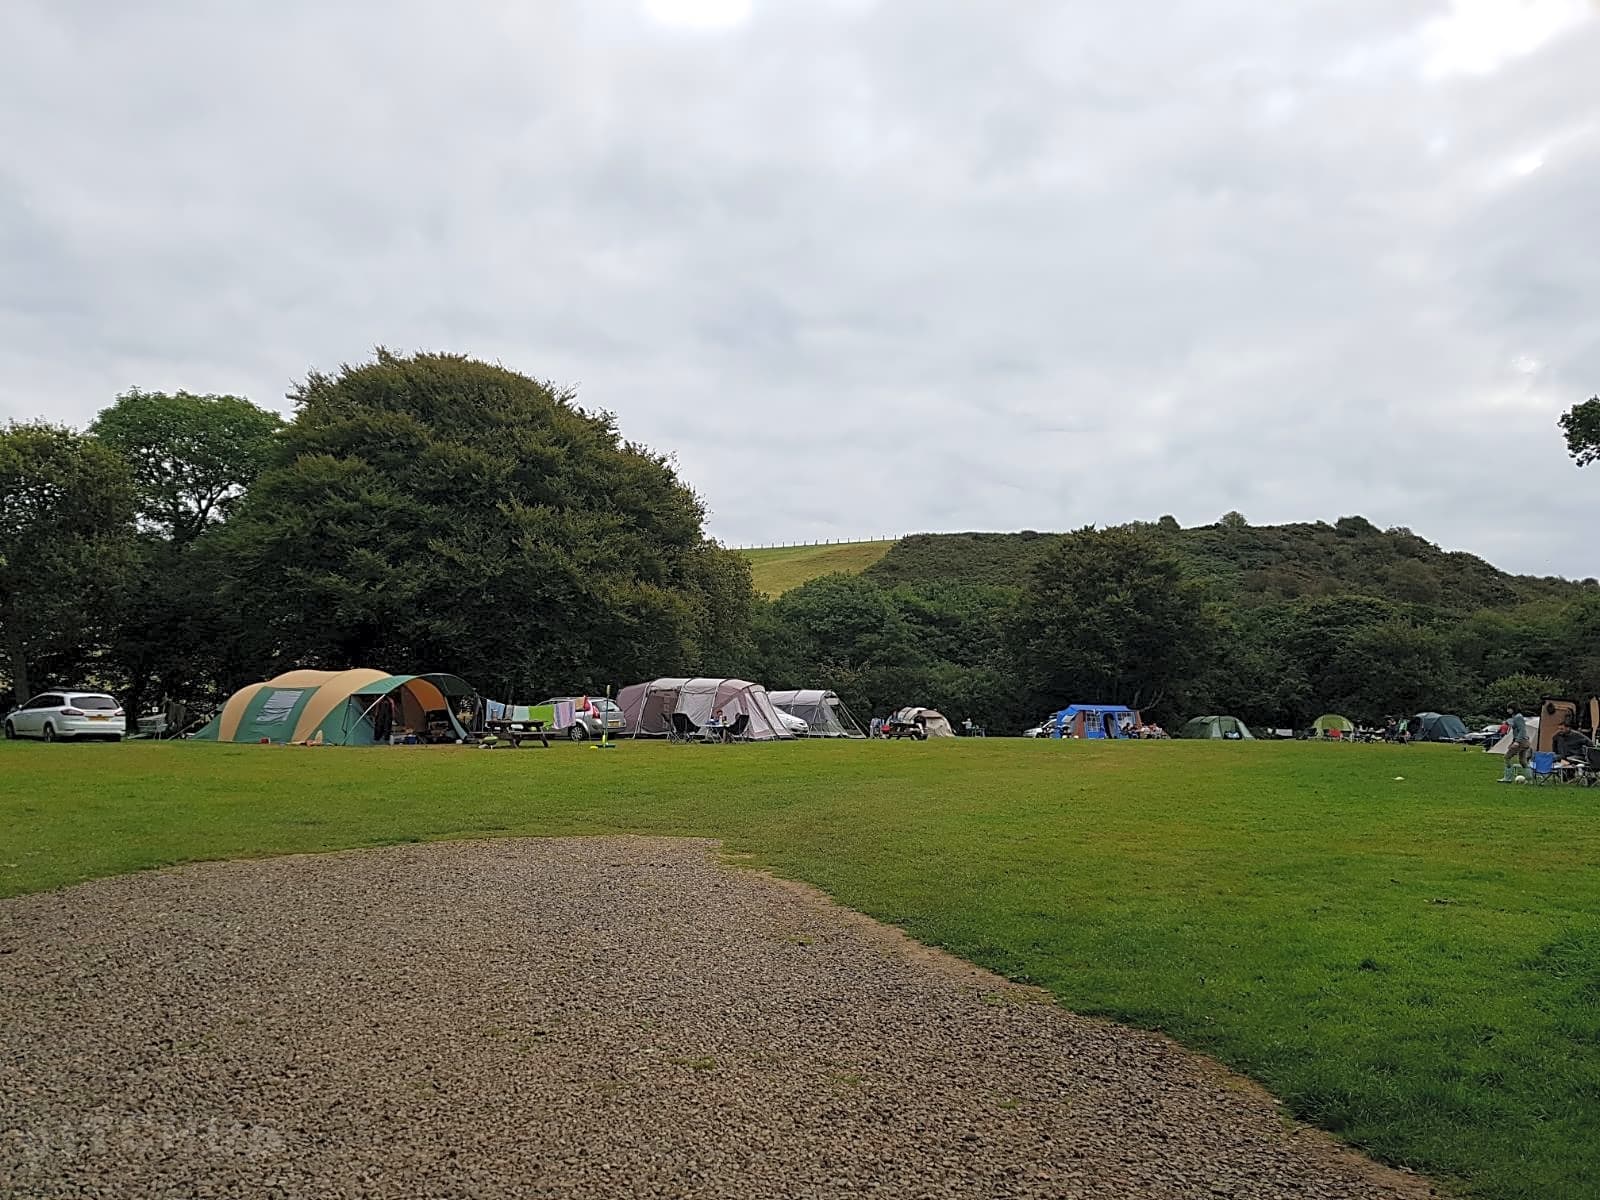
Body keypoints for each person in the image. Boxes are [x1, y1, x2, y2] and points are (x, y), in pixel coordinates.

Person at [1500, 705, 1531, 782]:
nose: (1507, 710)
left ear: (1513, 709)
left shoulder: (1518, 717)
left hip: (1521, 741)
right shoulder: (1517, 717)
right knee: (1523, 761)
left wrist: (1517, 741)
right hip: (1524, 741)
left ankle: (1508, 778)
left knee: (1507, 757)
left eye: (1509, 708)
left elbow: (1522, 730)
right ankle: (1530, 779)